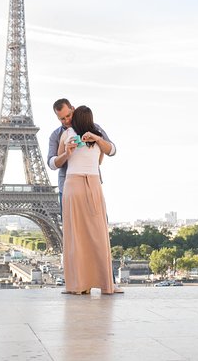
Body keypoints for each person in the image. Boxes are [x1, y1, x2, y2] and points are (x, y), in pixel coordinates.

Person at [55, 105, 122, 295]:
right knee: (98, 234)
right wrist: (73, 150)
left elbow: (59, 160)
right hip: (90, 183)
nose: (68, 119)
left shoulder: (70, 133)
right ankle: (104, 283)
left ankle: (79, 284)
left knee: (75, 236)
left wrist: (91, 141)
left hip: (75, 184)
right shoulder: (92, 135)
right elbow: (102, 158)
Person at [47, 98, 116, 204]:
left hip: (92, 185)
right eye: (62, 119)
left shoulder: (94, 128)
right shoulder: (56, 135)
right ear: (57, 118)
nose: (66, 120)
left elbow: (112, 151)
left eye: (68, 116)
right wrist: (66, 154)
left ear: (73, 109)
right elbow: (52, 164)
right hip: (67, 187)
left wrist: (97, 139)